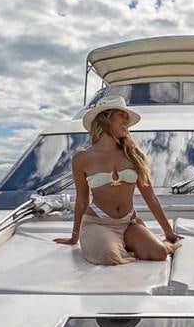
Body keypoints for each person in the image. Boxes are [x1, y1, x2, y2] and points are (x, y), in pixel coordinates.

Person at [53, 96, 181, 264]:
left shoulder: (133, 155)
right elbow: (82, 200)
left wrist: (168, 233)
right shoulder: (82, 158)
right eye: (122, 115)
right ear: (106, 118)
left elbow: (151, 197)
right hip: (97, 223)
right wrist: (74, 237)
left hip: (129, 222)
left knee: (159, 253)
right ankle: (113, 245)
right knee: (110, 257)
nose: (127, 121)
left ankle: (120, 243)